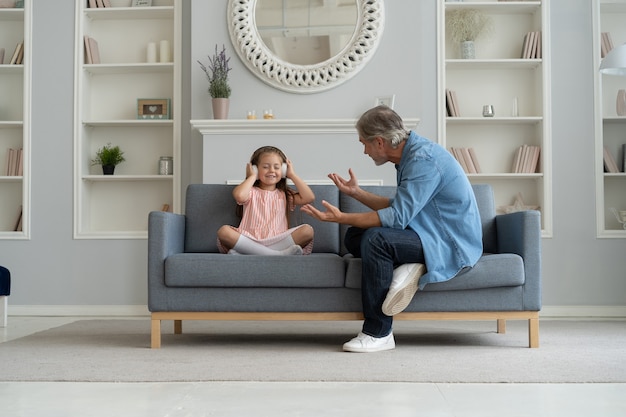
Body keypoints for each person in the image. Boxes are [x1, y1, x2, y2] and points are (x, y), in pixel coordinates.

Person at [301, 106, 483, 352]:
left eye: (364, 143)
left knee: (376, 240)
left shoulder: (423, 161)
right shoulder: (409, 157)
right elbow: (401, 208)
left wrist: (341, 217)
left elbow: (396, 218)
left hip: (448, 242)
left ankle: (379, 332)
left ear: (379, 142)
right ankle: (409, 265)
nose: (364, 151)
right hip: (426, 231)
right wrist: (357, 193)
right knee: (355, 236)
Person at [217, 146, 315, 256]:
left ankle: (249, 252)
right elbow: (239, 196)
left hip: (279, 240)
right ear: (255, 169)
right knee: (224, 231)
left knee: (307, 231)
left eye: (277, 167)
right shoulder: (250, 192)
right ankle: (277, 254)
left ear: (283, 171)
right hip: (250, 239)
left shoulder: (285, 195)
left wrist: (292, 175)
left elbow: (309, 197)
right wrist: (252, 176)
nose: (272, 170)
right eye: (265, 167)